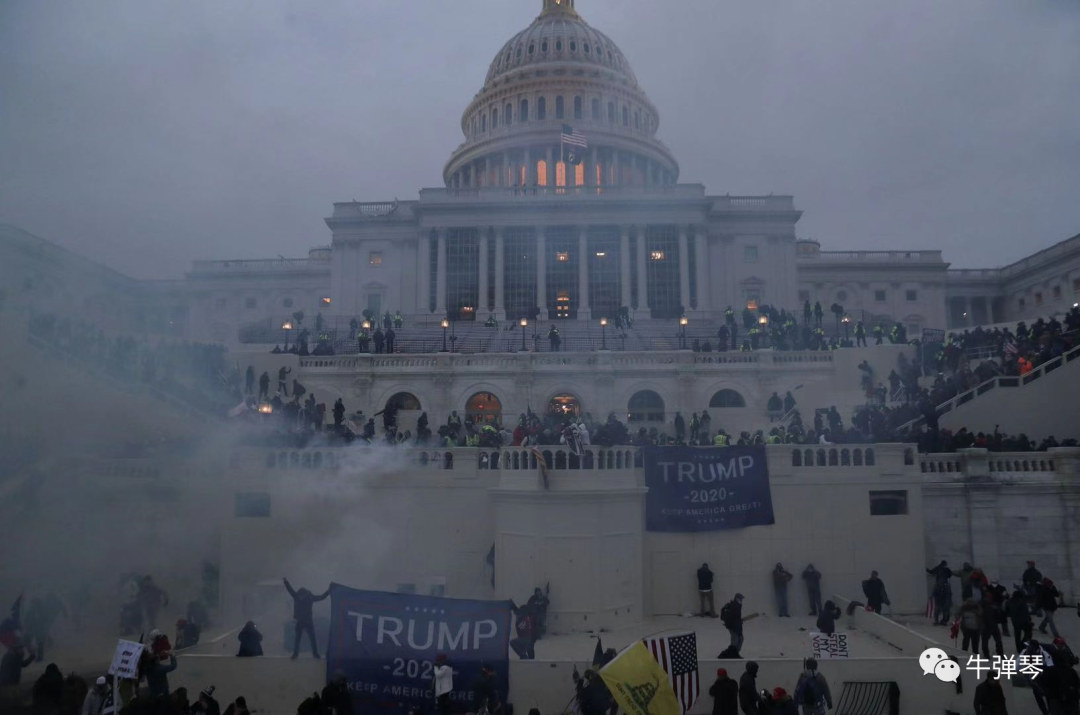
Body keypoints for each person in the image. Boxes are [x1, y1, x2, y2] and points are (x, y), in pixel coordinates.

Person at [284, 578, 330, 659]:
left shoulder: (307, 597)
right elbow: (290, 589)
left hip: (307, 621)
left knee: (312, 638)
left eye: (302, 596)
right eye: (300, 596)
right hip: (301, 621)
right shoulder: (298, 596)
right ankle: (296, 654)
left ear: (305, 595)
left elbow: (322, 597)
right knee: (298, 639)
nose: (301, 597)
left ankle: (314, 654)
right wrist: (286, 582)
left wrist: (329, 591)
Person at [926, 560, 954, 626]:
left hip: (938, 590)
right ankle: (944, 621)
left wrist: (926, 569)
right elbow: (950, 575)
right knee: (945, 608)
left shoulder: (938, 568)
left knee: (937, 608)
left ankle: (937, 621)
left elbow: (931, 571)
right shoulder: (947, 569)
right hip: (945, 590)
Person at [1007, 589, 1033, 653]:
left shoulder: (1010, 601)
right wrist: (1029, 619)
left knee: (1017, 636)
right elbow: (1025, 612)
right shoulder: (1022, 602)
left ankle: (1018, 648)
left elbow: (1007, 611)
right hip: (1024, 621)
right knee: (1028, 633)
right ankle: (1022, 645)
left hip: (1015, 621)